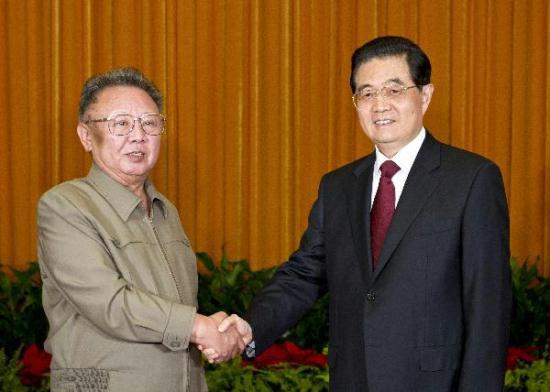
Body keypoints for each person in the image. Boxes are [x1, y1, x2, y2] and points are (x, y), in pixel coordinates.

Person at [216, 36, 512, 391]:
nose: (379, 105)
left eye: (394, 90)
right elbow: (304, 275)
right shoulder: (338, 187)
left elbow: (488, 311)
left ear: (426, 95)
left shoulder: (472, 179)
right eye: (367, 93)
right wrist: (248, 327)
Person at [37, 67, 244, 392]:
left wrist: (211, 326)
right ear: (86, 135)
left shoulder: (165, 210)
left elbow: (168, 304)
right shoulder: (65, 206)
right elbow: (109, 302)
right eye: (120, 123)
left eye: (150, 123)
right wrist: (196, 327)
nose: (138, 135)